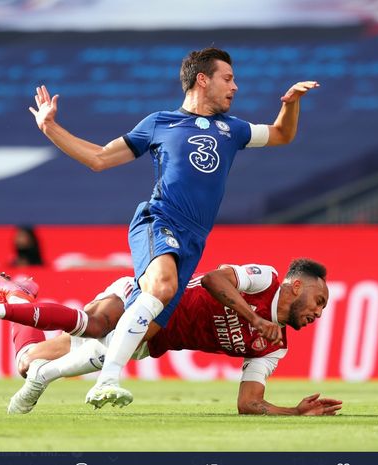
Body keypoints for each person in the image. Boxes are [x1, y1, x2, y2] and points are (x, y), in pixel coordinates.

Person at [28, 47, 320, 407]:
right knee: (162, 286)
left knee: (138, 338)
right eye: (227, 79)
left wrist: (290, 103)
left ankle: (41, 377)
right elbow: (99, 159)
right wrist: (50, 127)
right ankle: (106, 382)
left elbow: (281, 134)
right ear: (203, 79)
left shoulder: (234, 130)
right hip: (159, 219)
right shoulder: (160, 123)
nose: (235, 87)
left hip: (193, 242)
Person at [0, 259, 340, 416]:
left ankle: (17, 294)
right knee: (97, 327)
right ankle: (12, 307)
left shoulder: (273, 349)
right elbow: (213, 279)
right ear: (293, 287)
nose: (318, 313)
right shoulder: (266, 279)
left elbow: (248, 403)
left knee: (28, 363)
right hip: (143, 299)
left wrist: (294, 412)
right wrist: (253, 319)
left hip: (146, 342)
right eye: (318, 300)